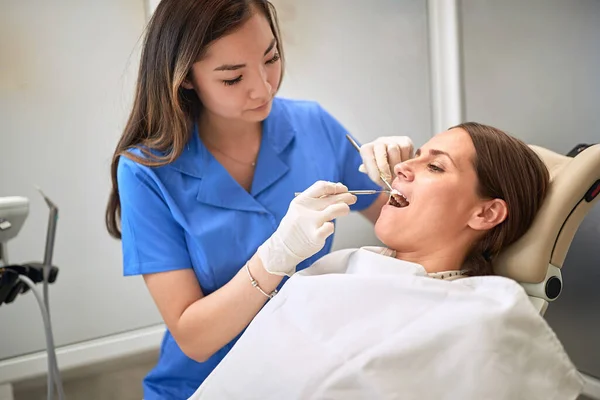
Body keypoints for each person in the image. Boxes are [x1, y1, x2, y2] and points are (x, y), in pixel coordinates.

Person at [104, 0, 413, 398]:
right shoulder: (147, 171)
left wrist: (408, 175)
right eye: (233, 78)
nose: (264, 87)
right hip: (205, 385)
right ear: (185, 78)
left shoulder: (312, 125)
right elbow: (194, 339)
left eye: (271, 58)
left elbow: (407, 227)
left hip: (312, 375)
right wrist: (276, 257)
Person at [188, 123, 583, 400]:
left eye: (434, 165)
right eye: (415, 157)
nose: (400, 167)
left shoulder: (484, 317)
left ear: (485, 214)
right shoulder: (345, 267)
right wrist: (275, 256)